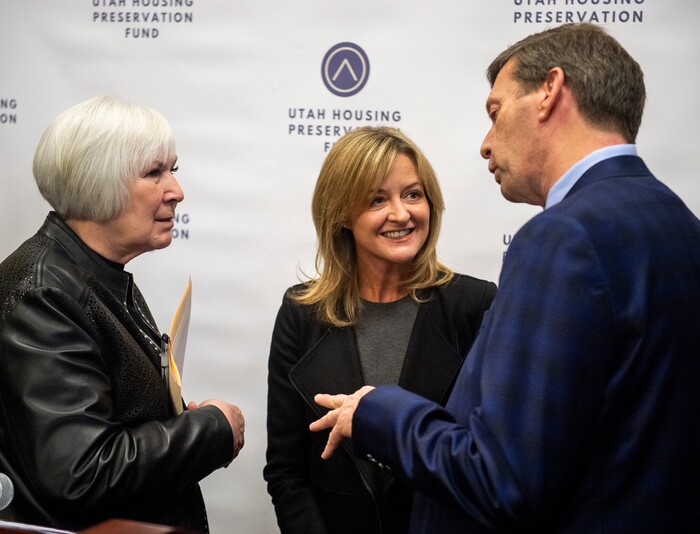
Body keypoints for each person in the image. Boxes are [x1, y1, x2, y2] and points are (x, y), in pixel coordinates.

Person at [310, 23, 700, 533]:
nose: (486, 144)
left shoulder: (563, 237)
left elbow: (502, 480)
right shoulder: (681, 224)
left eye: (495, 112)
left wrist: (377, 412)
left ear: (550, 91)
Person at [0, 95, 245, 533]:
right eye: (154, 173)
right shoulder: (47, 294)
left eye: (173, 169)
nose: (177, 191)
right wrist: (211, 430)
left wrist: (180, 422)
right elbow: (83, 473)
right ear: (97, 182)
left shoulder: (90, 274)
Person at [264, 126, 497, 534]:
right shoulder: (301, 313)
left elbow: (489, 456)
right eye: (377, 199)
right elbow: (286, 471)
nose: (401, 214)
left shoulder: (473, 305)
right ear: (341, 215)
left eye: (413, 194)